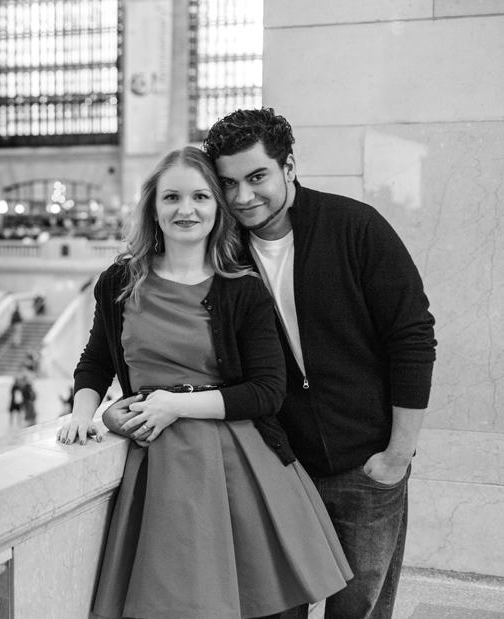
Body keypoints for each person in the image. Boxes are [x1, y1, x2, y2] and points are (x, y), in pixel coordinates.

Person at [57, 146, 351, 618]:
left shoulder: (242, 287)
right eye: (171, 197)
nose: (185, 210)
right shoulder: (119, 282)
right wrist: (81, 413)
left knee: (261, 605)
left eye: (200, 197)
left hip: (243, 465)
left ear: (217, 208)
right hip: (160, 471)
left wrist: (174, 406)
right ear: (153, 206)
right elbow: (96, 361)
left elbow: (267, 390)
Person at [203, 109, 437, 619]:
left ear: (288, 167)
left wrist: (397, 455)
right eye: (228, 184)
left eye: (257, 177)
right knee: (273, 608)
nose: (243, 197)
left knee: (359, 608)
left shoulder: (355, 226)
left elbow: (413, 338)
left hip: (367, 463)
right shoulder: (221, 255)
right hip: (279, 466)